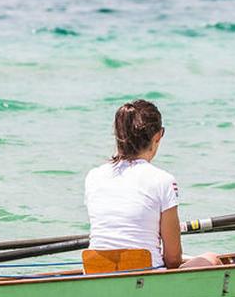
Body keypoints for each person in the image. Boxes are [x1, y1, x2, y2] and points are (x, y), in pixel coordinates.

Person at [84, 100, 218, 269]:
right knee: (211, 259)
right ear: (158, 136)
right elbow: (173, 259)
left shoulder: (93, 176)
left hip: (96, 272)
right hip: (144, 277)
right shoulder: (162, 180)